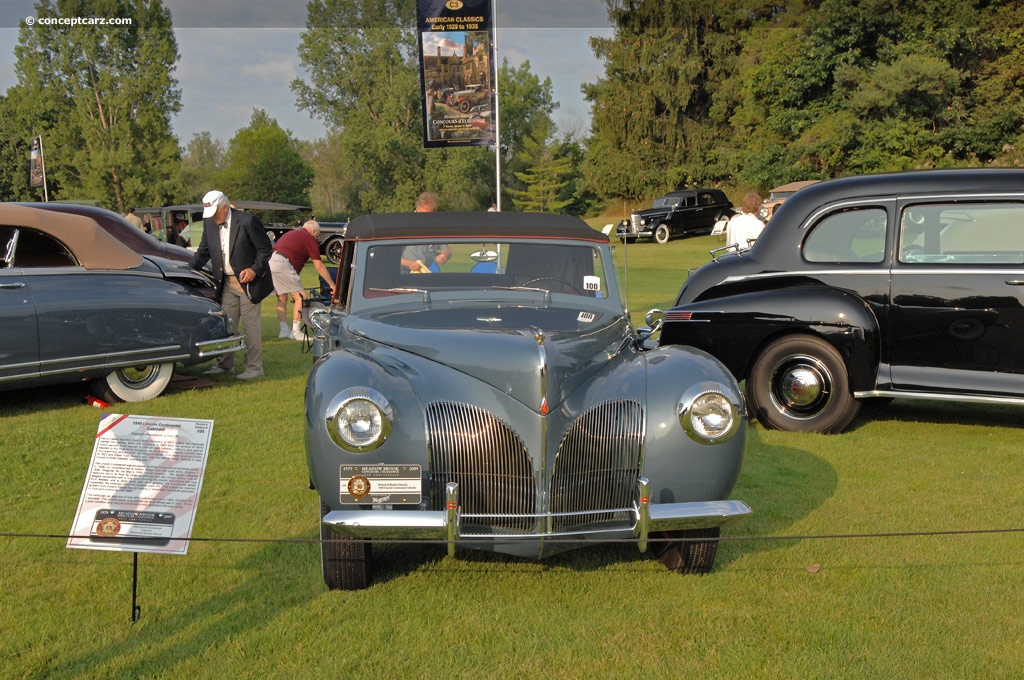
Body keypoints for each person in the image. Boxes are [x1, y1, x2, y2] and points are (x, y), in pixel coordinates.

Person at [190, 190, 273, 379]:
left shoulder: (247, 221)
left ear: (225, 207)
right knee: (226, 325)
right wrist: (187, 270)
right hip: (226, 283)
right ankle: (225, 365)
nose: (213, 219)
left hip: (249, 283)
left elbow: (265, 249)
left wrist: (253, 270)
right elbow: (203, 252)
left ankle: (254, 368)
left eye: (215, 214)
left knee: (251, 326)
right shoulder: (209, 223)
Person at [270, 220, 336, 340]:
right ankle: (295, 332)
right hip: (282, 263)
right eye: (318, 234)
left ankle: (284, 330)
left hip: (271, 260)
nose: (317, 237)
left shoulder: (292, 233)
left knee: (282, 297)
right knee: (301, 296)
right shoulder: (309, 238)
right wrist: (332, 285)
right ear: (314, 231)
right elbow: (319, 265)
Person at [401, 192, 451, 273]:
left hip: (426, 272)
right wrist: (408, 263)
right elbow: (391, 256)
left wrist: (445, 256)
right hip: (405, 273)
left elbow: (446, 249)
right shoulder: (404, 224)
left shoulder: (436, 227)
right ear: (418, 208)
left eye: (431, 215)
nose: (427, 218)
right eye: (424, 214)